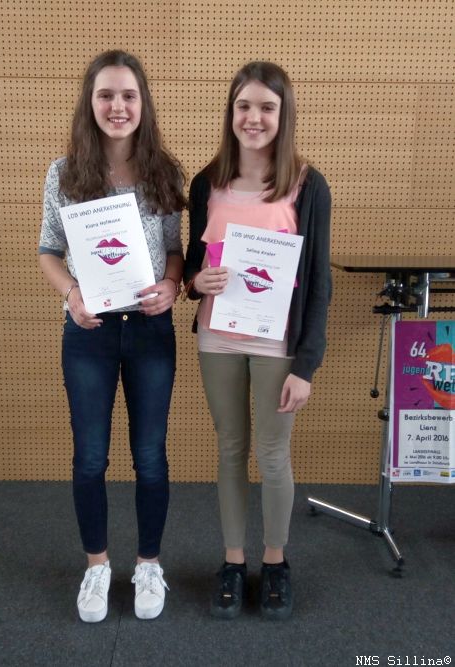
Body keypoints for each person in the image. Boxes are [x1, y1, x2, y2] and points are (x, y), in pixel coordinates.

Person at [38, 50, 186, 622]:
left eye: (128, 95)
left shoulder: (163, 172)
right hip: (89, 332)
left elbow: (174, 250)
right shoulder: (63, 173)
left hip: (149, 330)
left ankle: (148, 564)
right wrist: (71, 294)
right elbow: (49, 251)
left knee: (150, 456)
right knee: (90, 458)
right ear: (90, 102)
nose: (117, 106)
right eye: (106, 95)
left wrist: (171, 285)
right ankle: (97, 566)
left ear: (143, 103)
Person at [183, 61, 331, 620]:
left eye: (267, 107)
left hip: (276, 345)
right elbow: (193, 266)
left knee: (272, 454)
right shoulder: (207, 182)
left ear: (283, 114)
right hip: (217, 338)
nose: (254, 117)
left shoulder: (308, 185)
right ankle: (232, 560)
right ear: (231, 112)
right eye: (243, 105)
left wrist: (306, 365)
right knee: (229, 449)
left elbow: (318, 281)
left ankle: (274, 562)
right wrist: (196, 283)